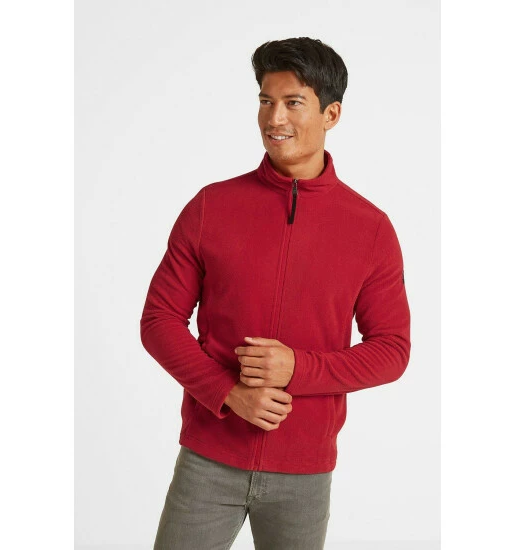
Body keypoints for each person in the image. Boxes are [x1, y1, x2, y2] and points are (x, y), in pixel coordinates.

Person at [140, 37, 411, 550]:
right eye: (265, 101)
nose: (274, 118)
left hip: (304, 475)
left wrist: (298, 369)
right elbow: (158, 321)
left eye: (292, 102)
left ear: (331, 114)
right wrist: (226, 392)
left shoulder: (371, 229)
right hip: (208, 460)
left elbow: (392, 351)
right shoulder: (211, 207)